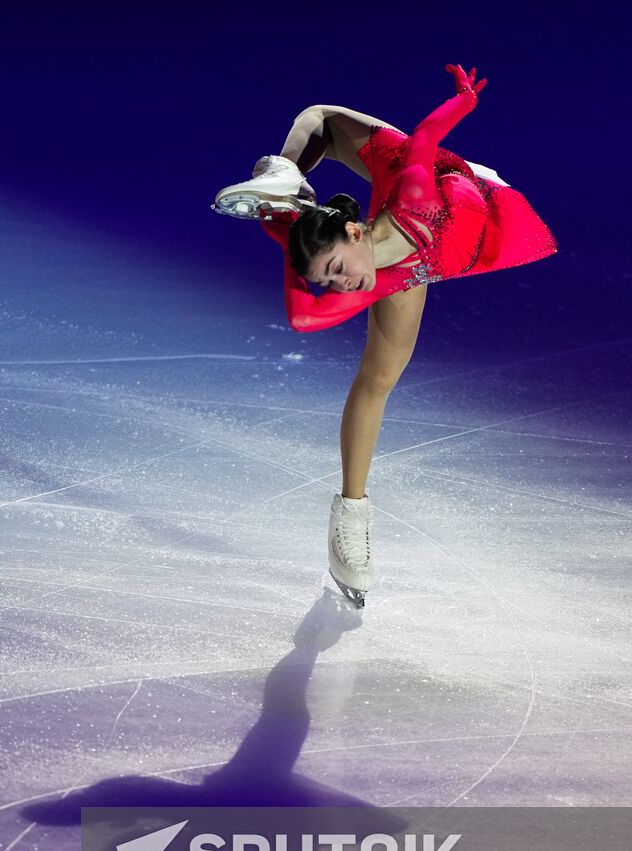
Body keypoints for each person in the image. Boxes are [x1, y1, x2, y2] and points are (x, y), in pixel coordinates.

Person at [212, 64, 557, 608]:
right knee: (377, 378)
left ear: (353, 231)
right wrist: (288, 241)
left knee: (319, 116)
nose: (343, 285)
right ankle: (350, 517)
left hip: (444, 188)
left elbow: (423, 138)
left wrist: (465, 99)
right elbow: (306, 319)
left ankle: (283, 181)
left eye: (337, 269)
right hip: (410, 261)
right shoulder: (377, 279)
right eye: (330, 281)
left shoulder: (414, 191)